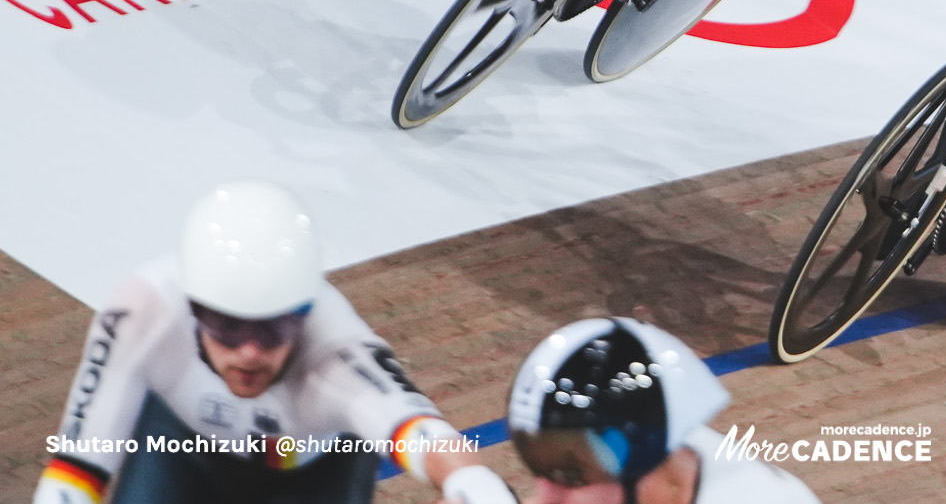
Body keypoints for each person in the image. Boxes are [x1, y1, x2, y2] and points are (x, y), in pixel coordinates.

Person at [33, 180, 515, 504]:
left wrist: (474, 482)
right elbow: (79, 464)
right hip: (180, 442)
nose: (248, 351)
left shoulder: (338, 354)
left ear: (305, 314)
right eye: (225, 326)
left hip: (314, 474)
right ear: (192, 308)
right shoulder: (142, 310)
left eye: (272, 329)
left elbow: (424, 435)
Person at [508, 317, 817, 501]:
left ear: (652, 466)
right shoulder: (669, 454)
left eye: (572, 475)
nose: (544, 499)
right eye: (541, 471)